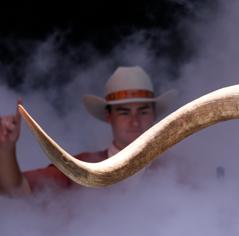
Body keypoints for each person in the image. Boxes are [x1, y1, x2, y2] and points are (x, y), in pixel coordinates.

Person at [0, 66, 176, 196]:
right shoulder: (79, 167)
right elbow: (15, 190)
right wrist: (6, 150)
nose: (135, 121)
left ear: (154, 115)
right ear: (109, 117)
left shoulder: (175, 174)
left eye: (143, 112)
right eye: (124, 112)